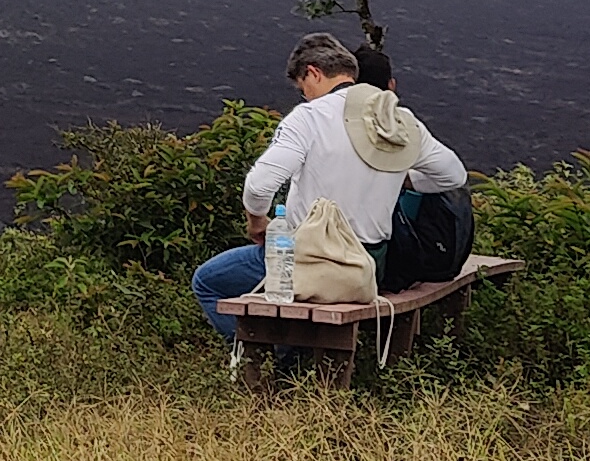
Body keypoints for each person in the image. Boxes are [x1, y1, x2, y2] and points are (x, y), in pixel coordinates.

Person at [191, 36, 471, 350]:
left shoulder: (309, 117)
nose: (305, 96)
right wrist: (401, 176)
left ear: (313, 72)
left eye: (302, 87)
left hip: (313, 263)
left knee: (207, 282)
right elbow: (453, 176)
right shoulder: (399, 121)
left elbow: (260, 185)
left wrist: (257, 222)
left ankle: (271, 353)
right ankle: (293, 357)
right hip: (370, 269)